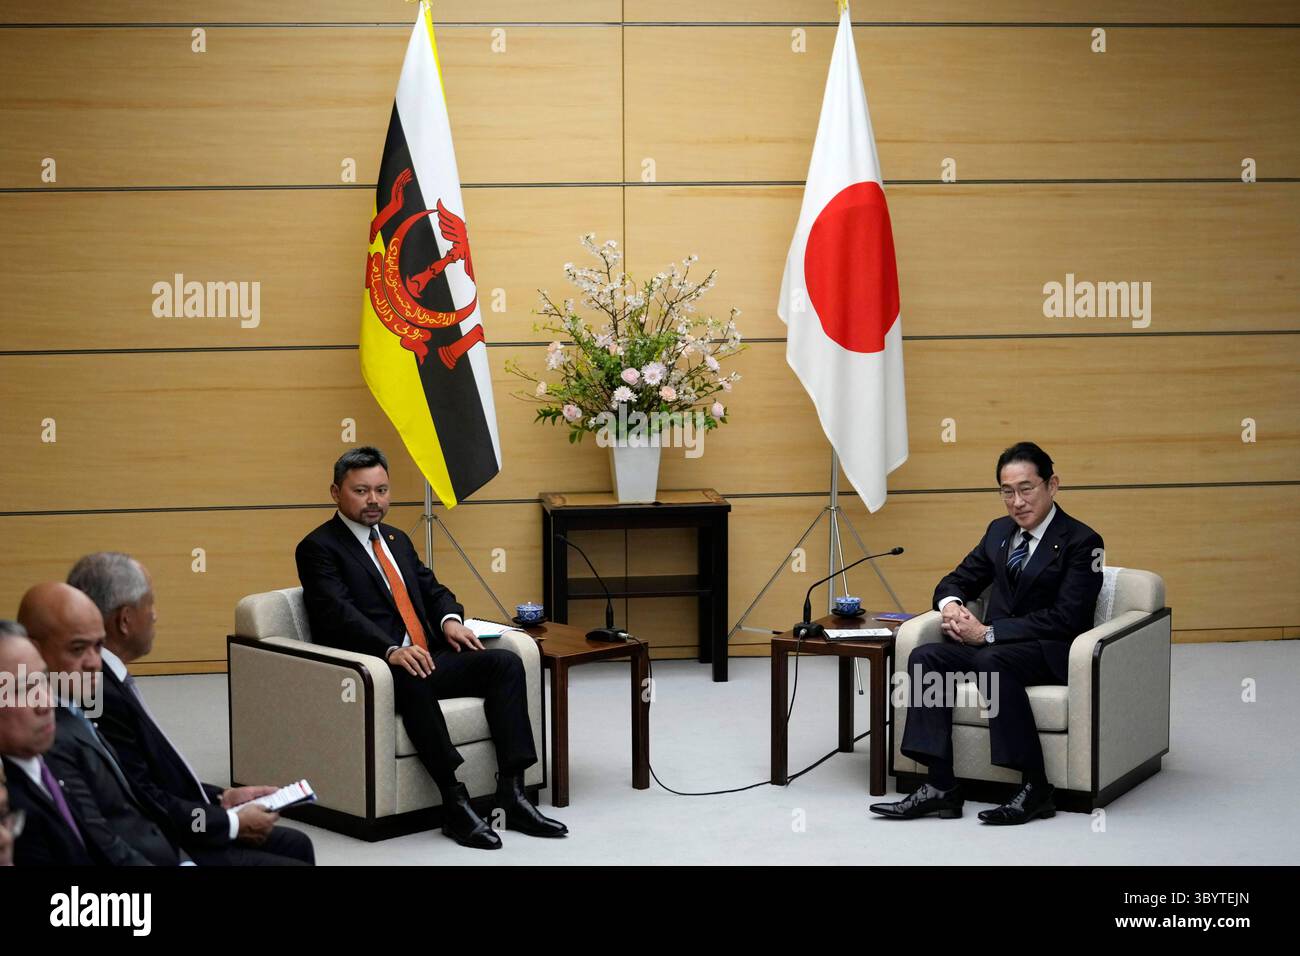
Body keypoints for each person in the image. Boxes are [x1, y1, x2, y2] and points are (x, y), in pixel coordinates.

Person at [295, 446, 566, 850]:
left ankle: (512, 792)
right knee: (412, 673)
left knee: (506, 664)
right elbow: (338, 613)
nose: (374, 501)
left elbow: (432, 589)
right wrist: (390, 649)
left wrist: (449, 621)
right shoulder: (318, 548)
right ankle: (453, 801)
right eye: (362, 491)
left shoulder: (396, 539)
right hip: (377, 666)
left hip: (428, 653)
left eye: (382, 490)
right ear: (336, 492)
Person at [871, 442, 1103, 825]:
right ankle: (941, 786)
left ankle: (1035, 787)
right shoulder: (998, 532)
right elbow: (956, 580)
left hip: (1050, 652)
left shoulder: (1083, 542)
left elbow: (1068, 617)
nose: (1017, 502)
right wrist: (950, 607)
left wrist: (989, 632)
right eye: (1007, 491)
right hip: (991, 650)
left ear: (1052, 486)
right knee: (926, 656)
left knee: (991, 659)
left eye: (1026, 489)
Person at [67, 552, 315, 865]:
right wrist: (232, 823)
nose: (155, 615)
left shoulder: (109, 681)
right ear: (125, 620)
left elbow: (155, 776)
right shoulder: (101, 695)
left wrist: (222, 797)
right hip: (167, 839)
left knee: (296, 844)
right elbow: (143, 798)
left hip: (183, 816)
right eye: (150, 603)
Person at [18, 582, 190, 865]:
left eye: (98, 646)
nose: (93, 663)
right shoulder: (46, 734)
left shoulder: (77, 708)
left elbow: (138, 798)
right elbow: (100, 842)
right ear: (33, 651)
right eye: (77, 649)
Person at [0, 627, 102, 865]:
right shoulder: (8, 807)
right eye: (23, 689)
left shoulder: (49, 755)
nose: (46, 703)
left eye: (44, 680)